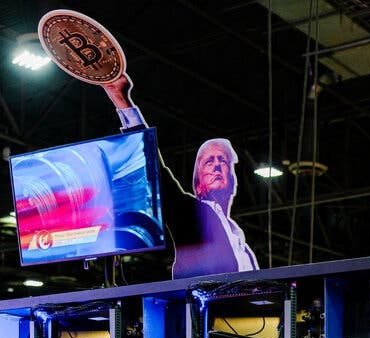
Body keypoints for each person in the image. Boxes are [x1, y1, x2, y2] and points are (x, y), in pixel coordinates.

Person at [102, 75, 259, 279]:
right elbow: (153, 169)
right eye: (209, 162)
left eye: (223, 161)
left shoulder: (238, 235)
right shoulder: (190, 212)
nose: (217, 166)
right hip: (198, 308)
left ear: (233, 179)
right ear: (198, 181)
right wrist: (122, 102)